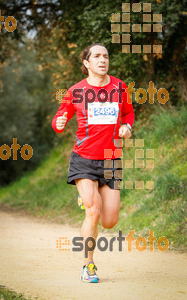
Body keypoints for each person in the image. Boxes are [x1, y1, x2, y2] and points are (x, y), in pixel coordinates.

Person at [52, 43, 135, 283]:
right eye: (97, 56)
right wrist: (58, 123)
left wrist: (127, 126)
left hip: (111, 160)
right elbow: (61, 115)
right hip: (84, 159)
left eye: (106, 56)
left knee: (109, 221)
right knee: (93, 211)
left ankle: (88, 199)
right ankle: (88, 265)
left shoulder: (120, 87)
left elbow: (128, 113)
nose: (103, 59)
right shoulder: (76, 91)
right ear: (86, 63)